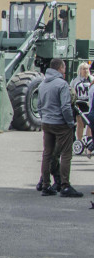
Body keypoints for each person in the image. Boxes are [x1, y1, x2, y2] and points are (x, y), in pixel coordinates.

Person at [37, 58, 83, 198]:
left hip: (46, 122)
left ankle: (45, 185)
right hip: (60, 123)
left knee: (47, 154)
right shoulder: (62, 84)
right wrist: (70, 122)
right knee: (66, 154)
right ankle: (65, 185)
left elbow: (39, 105)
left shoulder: (43, 83)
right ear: (60, 68)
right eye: (64, 68)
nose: (65, 70)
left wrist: (44, 117)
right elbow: (65, 106)